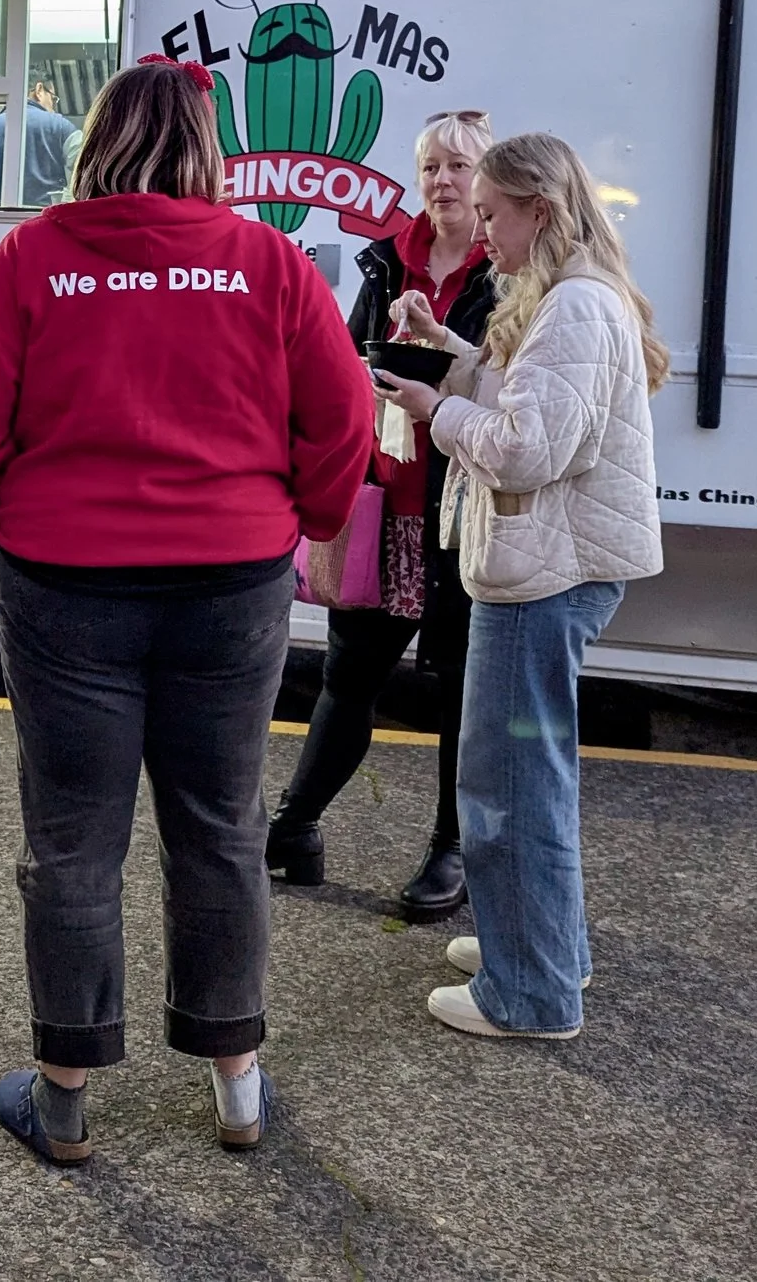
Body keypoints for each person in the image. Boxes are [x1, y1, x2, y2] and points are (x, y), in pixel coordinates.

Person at [0, 55, 371, 1163]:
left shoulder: (35, 254)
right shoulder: (266, 261)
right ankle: (237, 1085)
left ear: (96, 141)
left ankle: (64, 1093)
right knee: (220, 828)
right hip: (230, 584)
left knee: (72, 838)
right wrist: (300, 520)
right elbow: (342, 416)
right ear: (207, 149)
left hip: (69, 581)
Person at [372, 131, 667, 1041]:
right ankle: (543, 948)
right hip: (556, 570)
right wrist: (446, 349)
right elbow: (529, 400)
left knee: (506, 785)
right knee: (532, 776)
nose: (481, 231)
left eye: (494, 213)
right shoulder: (580, 293)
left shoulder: (573, 307)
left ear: (538, 208)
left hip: (541, 577)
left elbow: (526, 448)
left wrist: (436, 411)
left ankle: (530, 992)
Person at [269, 109, 496, 920]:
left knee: (459, 690)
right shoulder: (384, 263)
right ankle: (294, 829)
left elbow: (502, 387)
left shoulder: (502, 272)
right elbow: (348, 361)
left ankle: (452, 849)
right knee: (349, 675)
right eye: (431, 166)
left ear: (488, 180)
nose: (442, 182)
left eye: (459, 168)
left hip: (460, 508)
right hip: (386, 501)